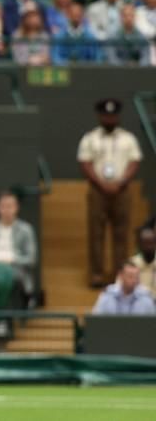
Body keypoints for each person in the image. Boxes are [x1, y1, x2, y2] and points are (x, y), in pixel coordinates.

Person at [78, 98, 144, 287]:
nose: (109, 119)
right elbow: (85, 162)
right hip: (98, 190)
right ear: (100, 116)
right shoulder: (90, 138)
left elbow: (134, 161)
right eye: (106, 115)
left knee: (121, 233)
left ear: (118, 117)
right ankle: (97, 274)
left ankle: (120, 275)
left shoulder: (128, 138)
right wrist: (101, 183)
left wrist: (121, 182)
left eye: (113, 115)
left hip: (122, 190)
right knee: (96, 233)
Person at [0, 192, 39, 302]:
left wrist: (12, 258)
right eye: (3, 206)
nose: (7, 210)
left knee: (11, 279)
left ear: (16, 208)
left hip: (15, 270)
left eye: (10, 206)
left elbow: (31, 259)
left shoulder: (26, 230)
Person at [91, 262, 156, 315]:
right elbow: (96, 320)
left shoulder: (145, 297)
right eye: (130, 276)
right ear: (120, 276)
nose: (134, 280)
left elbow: (153, 323)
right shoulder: (107, 295)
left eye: (136, 277)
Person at [130, 228, 156, 294]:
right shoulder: (131, 264)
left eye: (151, 243)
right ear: (140, 245)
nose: (149, 247)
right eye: (146, 243)